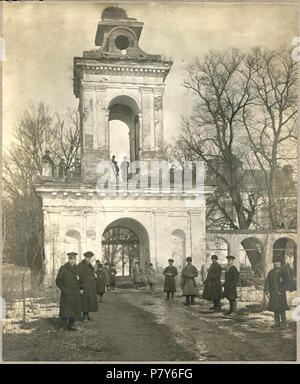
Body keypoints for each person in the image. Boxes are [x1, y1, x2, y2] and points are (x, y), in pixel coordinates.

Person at [55, 252, 83, 331]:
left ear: (75, 260)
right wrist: (63, 289)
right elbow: (58, 280)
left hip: (75, 293)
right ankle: (63, 325)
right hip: (66, 292)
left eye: (74, 259)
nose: (72, 261)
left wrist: (81, 288)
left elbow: (81, 280)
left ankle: (72, 324)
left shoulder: (78, 269)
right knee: (65, 309)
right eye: (71, 259)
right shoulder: (63, 268)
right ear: (68, 259)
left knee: (74, 309)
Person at [264, 255, 290, 329]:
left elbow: (287, 282)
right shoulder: (271, 272)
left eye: (277, 262)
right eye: (275, 262)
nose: (276, 263)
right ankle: (277, 323)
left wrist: (282, 290)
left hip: (281, 293)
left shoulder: (284, 271)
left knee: (281, 308)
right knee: (275, 308)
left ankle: (284, 323)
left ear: (280, 263)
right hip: (273, 293)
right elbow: (267, 282)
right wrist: (266, 291)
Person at [77, 251, 98, 322]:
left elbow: (90, 273)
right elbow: (79, 277)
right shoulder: (80, 265)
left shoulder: (90, 265)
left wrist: (94, 275)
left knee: (90, 301)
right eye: (87, 258)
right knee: (84, 301)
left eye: (90, 258)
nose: (88, 259)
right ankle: (84, 317)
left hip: (90, 286)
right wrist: (81, 287)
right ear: (85, 257)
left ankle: (87, 315)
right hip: (84, 286)